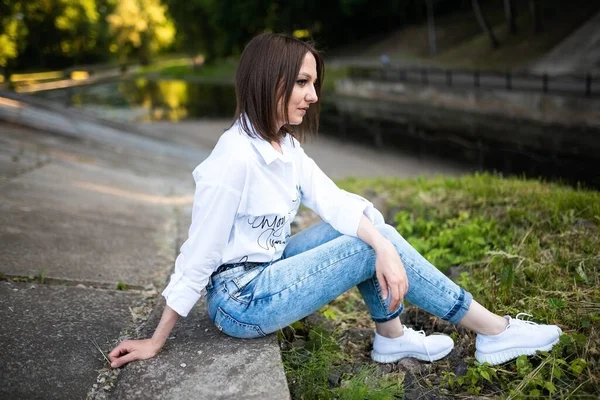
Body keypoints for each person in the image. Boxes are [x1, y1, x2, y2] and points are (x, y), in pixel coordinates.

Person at [109, 33, 561, 369]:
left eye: (314, 82)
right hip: (239, 300)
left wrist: (383, 244)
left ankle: (391, 336)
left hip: (268, 268)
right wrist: (155, 341)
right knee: (366, 245)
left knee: (368, 231)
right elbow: (199, 255)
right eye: (303, 82)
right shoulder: (233, 162)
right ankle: (493, 331)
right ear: (271, 81)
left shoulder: (285, 148)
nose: (314, 95)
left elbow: (337, 202)